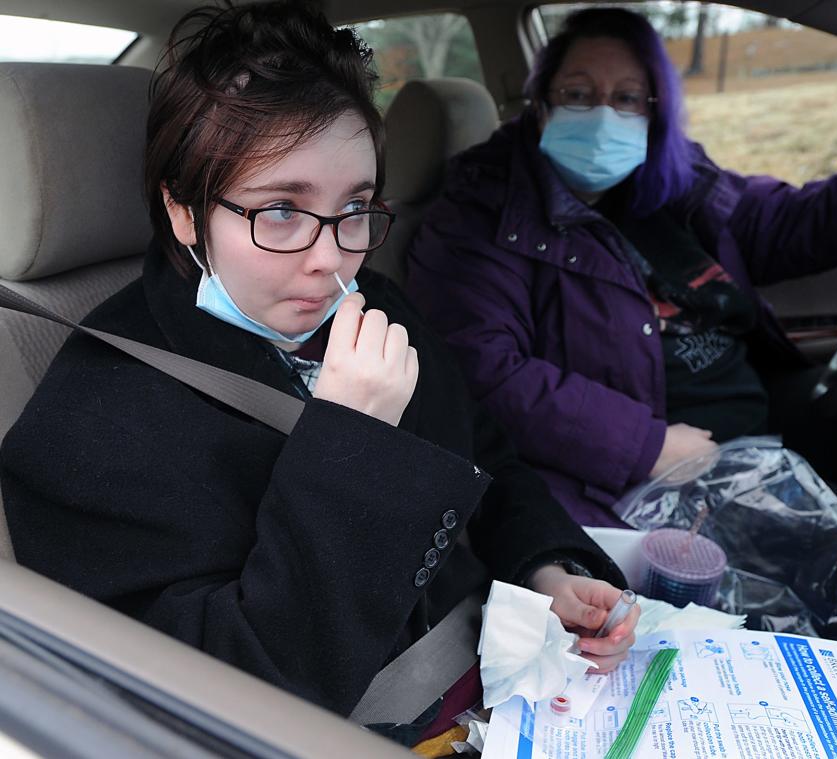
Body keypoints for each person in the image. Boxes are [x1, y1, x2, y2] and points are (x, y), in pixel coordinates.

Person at [0, 1, 641, 741]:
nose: (331, 257)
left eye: (356, 208)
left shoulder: (373, 305)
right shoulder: (86, 425)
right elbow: (238, 692)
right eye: (280, 210)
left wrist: (547, 569)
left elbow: (484, 455)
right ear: (184, 213)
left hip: (512, 686)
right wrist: (353, 439)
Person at [405, 7, 837, 554]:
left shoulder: (674, 181)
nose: (603, 115)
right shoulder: (479, 215)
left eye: (626, 98)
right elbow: (484, 370)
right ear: (543, 106)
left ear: (653, 111)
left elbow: (796, 219)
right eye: (578, 94)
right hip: (657, 448)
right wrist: (646, 446)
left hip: (746, 403)